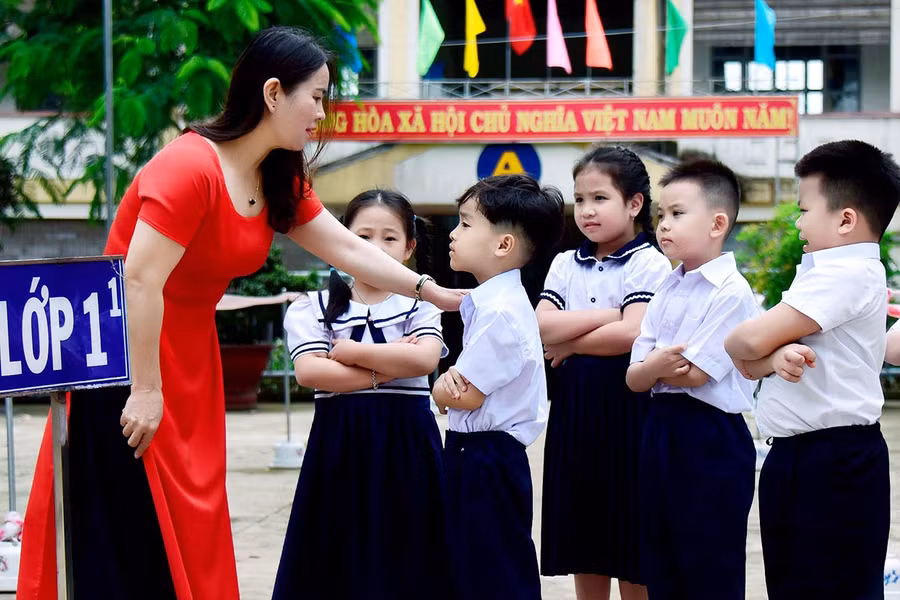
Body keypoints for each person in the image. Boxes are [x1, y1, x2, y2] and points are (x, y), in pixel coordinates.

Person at [17, 27, 463, 600]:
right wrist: (147, 391)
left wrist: (436, 293)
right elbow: (140, 277)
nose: (322, 113)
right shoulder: (189, 167)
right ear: (273, 93)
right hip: (130, 359)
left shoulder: (277, 174)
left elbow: (350, 249)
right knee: (135, 524)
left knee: (195, 515)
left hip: (190, 355)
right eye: (318, 96)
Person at [725, 140, 900, 600]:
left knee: (827, 585)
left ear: (845, 219)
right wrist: (761, 358)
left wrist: (754, 354)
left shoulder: (844, 274)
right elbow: (748, 358)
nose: (797, 221)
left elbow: (741, 342)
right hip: (804, 456)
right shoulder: (828, 271)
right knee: (797, 582)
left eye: (803, 209)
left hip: (831, 461)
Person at [272, 190, 448, 599]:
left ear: (410, 248)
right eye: (363, 237)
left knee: (408, 557)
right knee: (338, 556)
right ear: (342, 244)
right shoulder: (313, 306)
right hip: (339, 446)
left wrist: (350, 353)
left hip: (408, 446)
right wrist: (390, 364)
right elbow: (311, 371)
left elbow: (422, 361)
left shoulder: (422, 304)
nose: (376, 248)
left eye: (390, 238)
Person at [537, 146, 670, 600]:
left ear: (634, 204)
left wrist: (569, 342)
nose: (587, 211)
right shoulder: (562, 263)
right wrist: (613, 315)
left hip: (630, 409)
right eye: (579, 199)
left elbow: (635, 334)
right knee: (583, 529)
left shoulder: (650, 262)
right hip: (574, 409)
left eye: (599, 198)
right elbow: (541, 325)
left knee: (630, 535)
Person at [625, 159, 758, 600]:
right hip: (660, 427)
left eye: (677, 214)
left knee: (708, 562)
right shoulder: (667, 285)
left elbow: (694, 373)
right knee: (661, 557)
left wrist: (652, 367)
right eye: (661, 215)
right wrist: (653, 368)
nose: (664, 225)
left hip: (710, 437)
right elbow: (635, 377)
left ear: (718, 223)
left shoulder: (731, 292)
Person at [432, 174, 564, 600]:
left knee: (493, 572)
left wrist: (441, 387)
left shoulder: (500, 313)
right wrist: (448, 383)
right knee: (472, 567)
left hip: (485, 458)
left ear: (503, 245)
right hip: (477, 455)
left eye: (467, 224)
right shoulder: (489, 303)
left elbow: (462, 395)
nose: (454, 233)